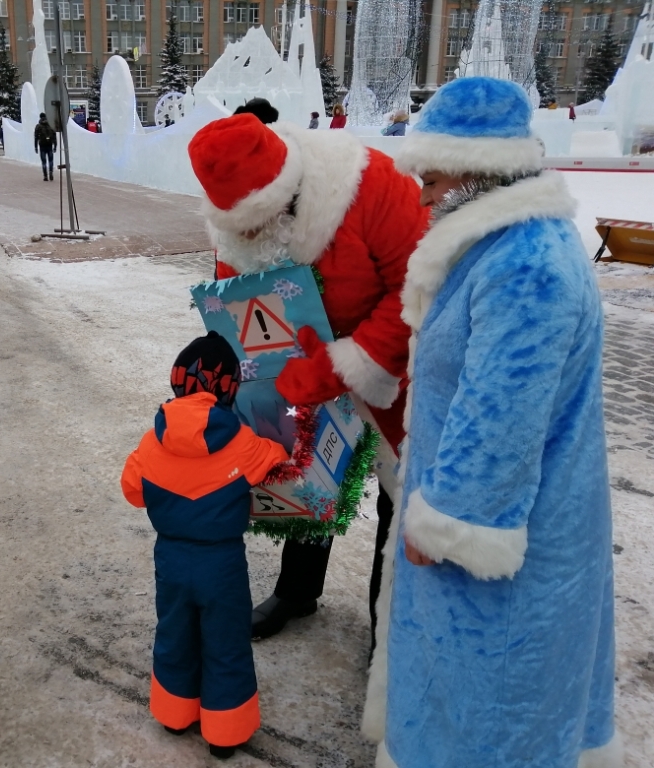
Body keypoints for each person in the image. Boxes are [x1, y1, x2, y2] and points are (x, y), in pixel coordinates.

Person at [363, 76, 619, 768]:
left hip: (504, 549)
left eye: (434, 178)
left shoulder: (524, 265)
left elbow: (503, 418)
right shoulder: (498, 247)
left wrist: (446, 515)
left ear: (479, 172)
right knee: (471, 706)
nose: (420, 196)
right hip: (509, 532)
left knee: (492, 717)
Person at [188, 112, 428, 643]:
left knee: (401, 495)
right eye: (236, 228)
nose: (245, 236)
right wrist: (231, 369)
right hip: (300, 363)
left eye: (254, 224)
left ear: (284, 196)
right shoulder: (235, 217)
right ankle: (297, 590)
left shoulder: (373, 184)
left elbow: (419, 286)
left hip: (392, 363)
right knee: (309, 470)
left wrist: (349, 361)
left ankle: (389, 631)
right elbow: (236, 294)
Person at [121, 332, 289, 760]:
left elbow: (133, 491)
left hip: (171, 561)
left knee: (175, 633)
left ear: (177, 383)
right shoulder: (242, 443)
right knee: (226, 641)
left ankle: (175, 714)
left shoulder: (150, 442)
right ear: (231, 388)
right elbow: (275, 457)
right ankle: (224, 731)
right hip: (223, 564)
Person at [34, 112, 56, 181]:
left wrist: (35, 147)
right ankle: (51, 172)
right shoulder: (50, 125)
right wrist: (55, 146)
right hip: (49, 145)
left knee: (44, 162)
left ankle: (45, 176)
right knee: (50, 160)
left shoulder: (38, 126)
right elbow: (54, 136)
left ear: (40, 117)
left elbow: (36, 137)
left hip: (42, 146)